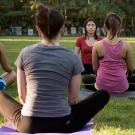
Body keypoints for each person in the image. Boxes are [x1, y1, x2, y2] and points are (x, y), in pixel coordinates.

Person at [0, 4, 110, 133]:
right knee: (103, 94)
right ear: (62, 29)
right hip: (64, 123)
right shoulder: (72, 57)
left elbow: (22, 97)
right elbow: (73, 99)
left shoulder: (25, 53)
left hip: (28, 124)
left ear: (38, 29)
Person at [92, 12, 134, 93]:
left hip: (101, 85)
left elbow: (95, 69)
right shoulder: (127, 45)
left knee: (87, 79)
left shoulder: (97, 45)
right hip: (121, 85)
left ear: (105, 26)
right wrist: (127, 75)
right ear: (120, 27)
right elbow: (130, 69)